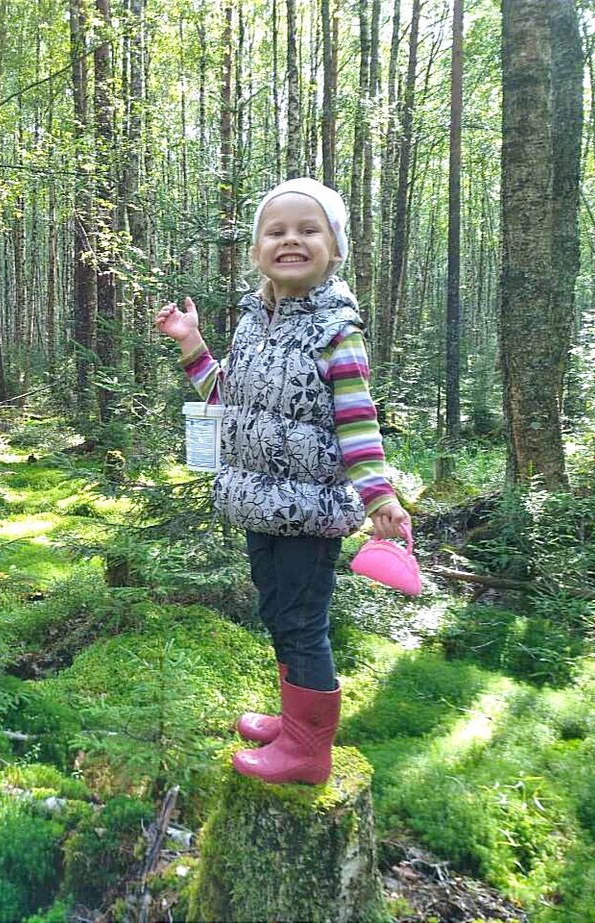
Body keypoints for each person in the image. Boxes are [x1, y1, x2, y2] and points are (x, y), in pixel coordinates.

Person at [154, 177, 410, 786]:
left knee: (302, 622)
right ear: (256, 250)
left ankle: (307, 752)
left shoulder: (336, 333)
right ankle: (293, 720)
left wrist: (379, 494)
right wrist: (192, 344)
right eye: (276, 231)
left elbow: (357, 420)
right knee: (278, 612)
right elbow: (227, 398)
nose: (290, 240)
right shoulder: (252, 324)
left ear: (336, 249)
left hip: (309, 509)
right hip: (256, 501)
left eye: (307, 230)